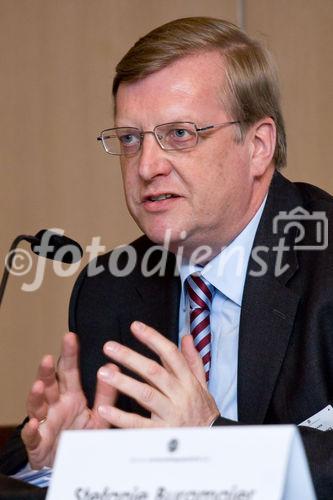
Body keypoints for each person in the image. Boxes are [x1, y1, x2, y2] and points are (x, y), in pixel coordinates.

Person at [1, 16, 332, 498]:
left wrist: (211, 442)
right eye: (130, 139)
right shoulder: (109, 289)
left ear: (258, 146)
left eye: (179, 134)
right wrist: (59, 463)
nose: (146, 167)